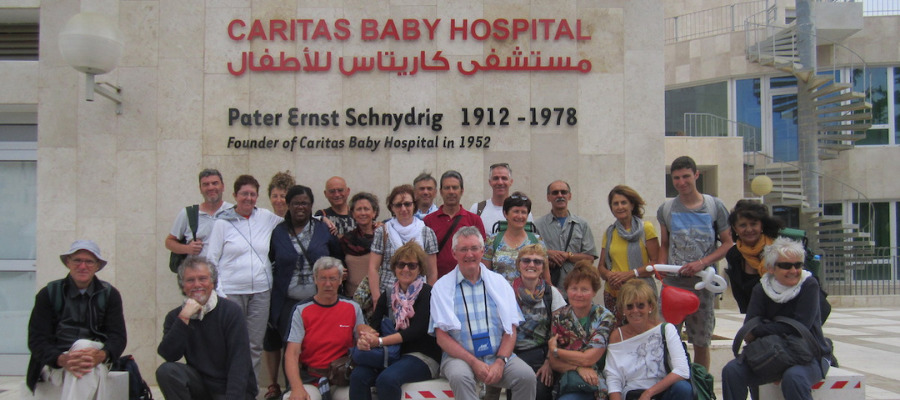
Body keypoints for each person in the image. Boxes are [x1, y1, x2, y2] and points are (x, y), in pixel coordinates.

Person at [430, 226, 536, 400]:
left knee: (526, 376)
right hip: (460, 358)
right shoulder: (441, 288)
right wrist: (473, 362)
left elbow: (511, 329)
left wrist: (501, 361)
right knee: (460, 377)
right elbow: (442, 337)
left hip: (496, 355)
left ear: (482, 251)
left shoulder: (500, 283)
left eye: (474, 248)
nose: (469, 254)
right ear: (454, 253)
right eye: (463, 249)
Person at [722, 237, 832, 400]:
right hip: (771, 353)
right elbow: (750, 328)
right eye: (786, 266)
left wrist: (765, 326)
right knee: (732, 371)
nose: (793, 270)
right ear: (771, 268)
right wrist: (770, 328)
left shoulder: (809, 285)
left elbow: (801, 327)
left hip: (805, 354)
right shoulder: (761, 289)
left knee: (793, 378)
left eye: (798, 265)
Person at [656, 156, 733, 370]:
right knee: (667, 340)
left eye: (686, 177)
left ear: (696, 175)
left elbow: (727, 243)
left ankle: (702, 388)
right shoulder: (666, 208)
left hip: (703, 285)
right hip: (673, 284)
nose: (681, 182)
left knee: (701, 342)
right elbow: (665, 243)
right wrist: (661, 267)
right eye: (677, 178)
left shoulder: (714, 206)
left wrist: (702, 263)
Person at [26, 240, 127, 399]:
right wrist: (62, 359)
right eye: (77, 260)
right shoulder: (48, 293)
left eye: (89, 261)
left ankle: (83, 356)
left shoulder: (109, 294)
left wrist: (101, 355)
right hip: (56, 359)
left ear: (97, 266)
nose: (82, 266)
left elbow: (118, 337)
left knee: (83, 349)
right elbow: (37, 339)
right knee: (85, 365)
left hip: (95, 354)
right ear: (68, 262)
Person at [206, 174, 283, 378]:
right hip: (230, 293)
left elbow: (292, 222)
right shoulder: (222, 223)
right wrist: (219, 291)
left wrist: (323, 221)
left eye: (252, 194)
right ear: (235, 195)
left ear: (257, 197)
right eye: (244, 194)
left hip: (261, 292)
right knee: (231, 344)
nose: (248, 198)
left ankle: (250, 390)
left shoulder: (266, 217)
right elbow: (211, 259)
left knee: (254, 345)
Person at [268, 185, 341, 398]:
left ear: (311, 206)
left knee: (317, 346)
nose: (301, 207)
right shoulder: (278, 232)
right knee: (291, 348)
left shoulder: (323, 229)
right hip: (288, 303)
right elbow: (271, 261)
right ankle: (294, 390)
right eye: (296, 203)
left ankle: (322, 388)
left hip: (319, 302)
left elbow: (337, 256)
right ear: (288, 206)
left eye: (305, 203)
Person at [349, 242, 442, 400]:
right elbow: (375, 326)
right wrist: (365, 337)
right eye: (401, 264)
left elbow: (415, 332)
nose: (405, 269)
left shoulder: (428, 293)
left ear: (420, 269)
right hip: (390, 354)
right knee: (358, 376)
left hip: (421, 356)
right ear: (394, 267)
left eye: (411, 265)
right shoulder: (388, 295)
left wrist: (378, 341)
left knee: (387, 380)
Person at [156, 256, 257, 400]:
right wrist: (184, 318)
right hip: (201, 386)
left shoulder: (231, 311)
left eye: (202, 279)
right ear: (183, 286)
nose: (197, 285)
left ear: (212, 283)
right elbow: (169, 355)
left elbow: (239, 362)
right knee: (166, 371)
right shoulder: (176, 317)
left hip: (229, 389)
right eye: (190, 280)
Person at [283, 257, 366, 400]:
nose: (328, 284)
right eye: (323, 278)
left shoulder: (353, 308)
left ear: (340, 280)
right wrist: (296, 388)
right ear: (315, 279)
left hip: (342, 378)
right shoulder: (301, 310)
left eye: (333, 279)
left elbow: (363, 340)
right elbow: (292, 353)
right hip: (310, 379)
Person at [604, 279, 692, 400]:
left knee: (683, 388)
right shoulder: (617, 336)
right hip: (633, 394)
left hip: (663, 392)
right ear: (623, 310)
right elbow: (613, 378)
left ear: (650, 306)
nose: (635, 311)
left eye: (640, 305)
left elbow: (682, 370)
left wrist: (649, 393)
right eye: (629, 306)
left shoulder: (667, 330)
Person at [548, 261, 615, 400]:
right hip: (571, 382)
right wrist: (578, 368)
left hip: (599, 382)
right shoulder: (559, 317)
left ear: (594, 292)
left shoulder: (604, 317)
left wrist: (556, 351)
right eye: (574, 288)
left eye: (584, 289)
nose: (578, 294)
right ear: (567, 290)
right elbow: (553, 363)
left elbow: (589, 358)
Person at [510, 244, 567, 400]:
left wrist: (549, 362)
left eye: (537, 262)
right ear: (518, 265)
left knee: (540, 393)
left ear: (543, 268)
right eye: (526, 260)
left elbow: (557, 332)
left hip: (541, 356)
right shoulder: (507, 292)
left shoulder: (551, 293)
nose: (531, 265)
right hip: (513, 356)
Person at [597, 185, 660, 324]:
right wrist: (609, 276)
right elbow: (601, 266)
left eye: (623, 202)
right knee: (619, 337)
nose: (620, 207)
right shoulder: (609, 233)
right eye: (615, 203)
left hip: (640, 296)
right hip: (614, 295)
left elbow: (656, 263)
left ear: (632, 205)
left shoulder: (646, 229)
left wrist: (631, 274)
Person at [368, 184, 439, 307]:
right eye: (398, 205)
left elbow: (432, 272)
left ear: (414, 205)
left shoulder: (427, 232)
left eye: (407, 204)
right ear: (392, 207)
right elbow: (373, 268)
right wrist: (376, 299)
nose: (403, 208)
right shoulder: (383, 232)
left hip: (418, 299)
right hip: (388, 298)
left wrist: (429, 300)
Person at [262, 170, 296, 399]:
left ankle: (292, 383)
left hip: (290, 290)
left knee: (291, 338)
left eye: (283, 195)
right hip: (268, 289)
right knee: (271, 338)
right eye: (274, 195)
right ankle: (273, 383)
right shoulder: (263, 219)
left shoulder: (299, 222)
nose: (279, 200)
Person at [534, 180, 598, 294]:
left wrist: (568, 256)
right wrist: (547, 254)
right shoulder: (538, 225)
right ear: (548, 197)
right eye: (555, 193)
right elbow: (531, 256)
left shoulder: (582, 224)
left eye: (563, 192)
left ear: (570, 196)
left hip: (577, 288)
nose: (560, 195)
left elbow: (590, 258)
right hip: (549, 288)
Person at [424, 170, 486, 278]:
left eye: (455, 187)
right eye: (447, 188)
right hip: (438, 282)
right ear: (441, 191)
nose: (451, 191)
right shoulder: (428, 221)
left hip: (468, 280)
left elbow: (482, 253)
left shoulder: (474, 220)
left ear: (462, 191)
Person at [724, 200, 783, 313]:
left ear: (762, 225)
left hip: (782, 311)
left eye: (753, 224)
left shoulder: (779, 250)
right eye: (743, 225)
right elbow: (739, 294)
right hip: (753, 314)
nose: (749, 229)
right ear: (735, 229)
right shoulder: (733, 255)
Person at [165, 169, 232, 259]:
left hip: (226, 271)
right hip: (197, 271)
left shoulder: (234, 212)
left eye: (215, 183)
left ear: (223, 187)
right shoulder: (188, 214)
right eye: (206, 184)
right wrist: (187, 248)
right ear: (200, 189)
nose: (211, 188)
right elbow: (169, 242)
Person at [483, 192, 549, 284]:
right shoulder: (492, 240)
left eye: (523, 212)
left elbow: (546, 277)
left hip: (529, 296)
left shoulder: (537, 241)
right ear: (505, 214)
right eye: (516, 211)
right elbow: (485, 275)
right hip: (500, 295)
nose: (520, 216)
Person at [469, 163, 533, 235]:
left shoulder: (523, 212)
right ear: (490, 182)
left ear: (511, 182)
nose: (500, 182)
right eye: (496, 178)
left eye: (504, 178)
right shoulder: (477, 209)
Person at [341, 192, 380, 297]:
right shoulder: (346, 240)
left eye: (366, 209)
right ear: (353, 213)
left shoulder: (382, 238)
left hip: (376, 298)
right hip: (351, 298)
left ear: (374, 213)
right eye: (358, 209)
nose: (363, 213)